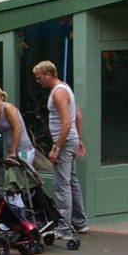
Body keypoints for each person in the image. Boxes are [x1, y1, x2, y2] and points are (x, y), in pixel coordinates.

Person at [32, 60, 88, 234]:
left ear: (49, 75)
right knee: (72, 181)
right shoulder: (66, 88)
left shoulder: (58, 93)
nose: (38, 81)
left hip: (64, 142)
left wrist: (56, 148)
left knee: (62, 184)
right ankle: (80, 222)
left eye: (39, 77)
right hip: (70, 140)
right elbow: (77, 115)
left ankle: (64, 228)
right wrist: (79, 139)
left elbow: (66, 123)